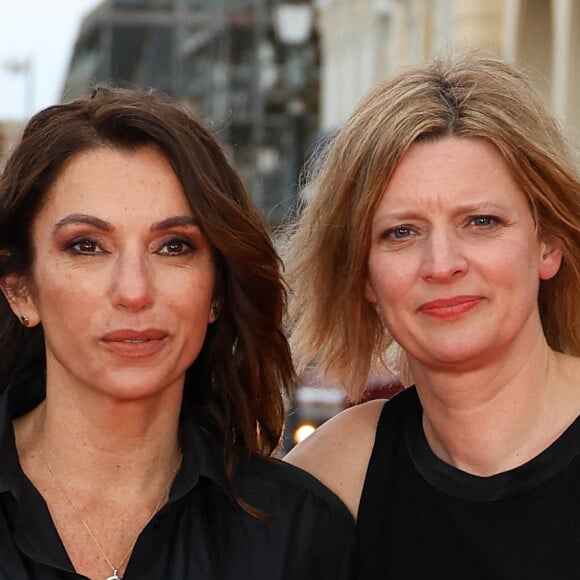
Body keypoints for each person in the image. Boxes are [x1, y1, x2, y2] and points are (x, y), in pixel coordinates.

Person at [0, 87, 357, 580]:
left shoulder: (301, 534)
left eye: (173, 246)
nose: (133, 291)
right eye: (87, 246)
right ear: (21, 290)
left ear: (215, 291)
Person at [283, 50, 580, 578]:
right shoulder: (328, 480)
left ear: (548, 245)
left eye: (482, 221)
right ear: (364, 275)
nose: (441, 265)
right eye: (401, 232)